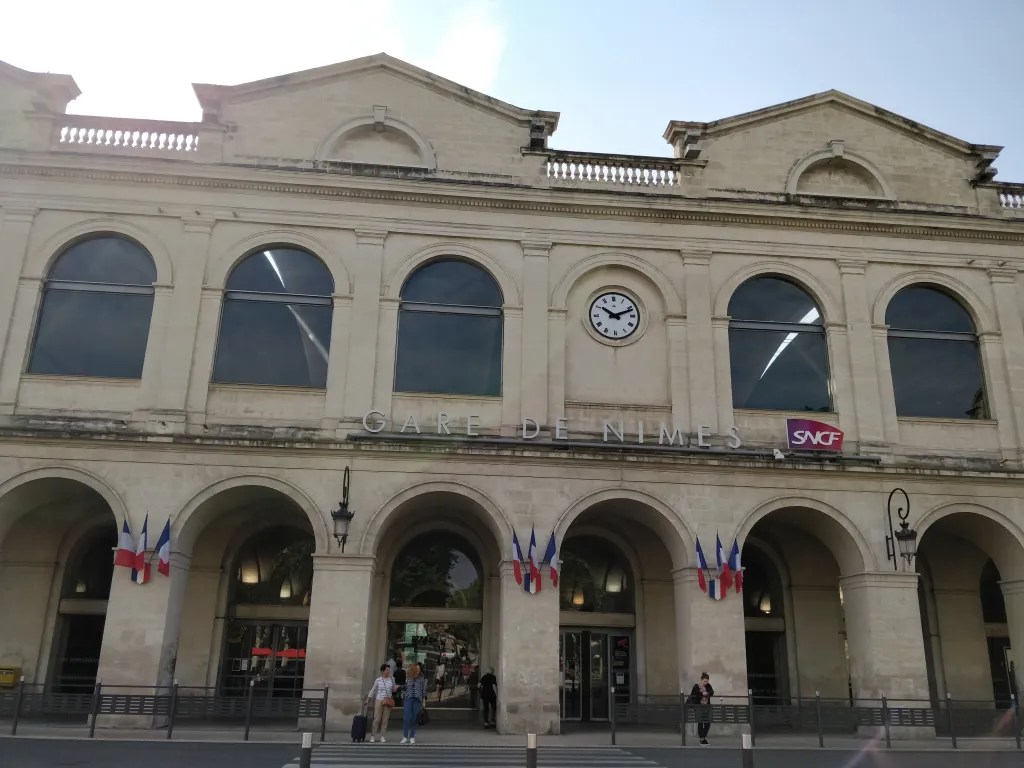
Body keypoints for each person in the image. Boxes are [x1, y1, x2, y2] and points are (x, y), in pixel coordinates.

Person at [365, 663, 396, 743]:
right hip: (379, 700)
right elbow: (373, 689)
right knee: (376, 719)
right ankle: (373, 735)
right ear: (382, 671)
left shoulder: (391, 679)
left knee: (385, 719)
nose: (388, 671)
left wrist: (396, 687)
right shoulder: (378, 680)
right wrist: (368, 699)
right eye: (386, 670)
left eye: (389, 670)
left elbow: (394, 690)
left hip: (388, 700)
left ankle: (382, 736)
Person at [401, 663, 428, 744]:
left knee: (414, 717)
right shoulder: (408, 677)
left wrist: (423, 702)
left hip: (417, 699)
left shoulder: (422, 678)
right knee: (407, 717)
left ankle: (412, 736)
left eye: (419, 668)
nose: (419, 669)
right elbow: (405, 687)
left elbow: (423, 690)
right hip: (408, 698)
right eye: (417, 668)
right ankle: (405, 736)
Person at [689, 672, 714, 745]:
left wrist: (708, 693)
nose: (706, 683)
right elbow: (694, 695)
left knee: (707, 723)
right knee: (700, 722)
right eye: (704, 681)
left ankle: (703, 738)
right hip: (698, 707)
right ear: (701, 680)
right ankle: (702, 739)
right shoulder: (697, 686)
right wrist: (702, 694)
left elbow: (712, 692)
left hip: (706, 707)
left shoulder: (708, 686)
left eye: (707, 681)